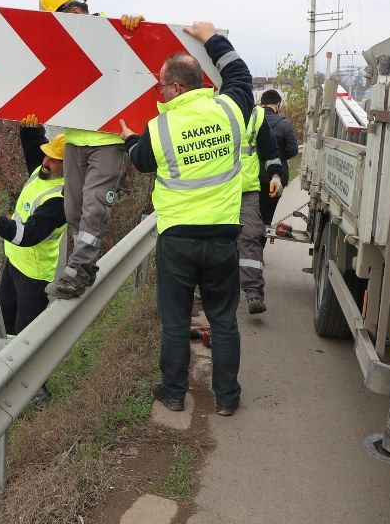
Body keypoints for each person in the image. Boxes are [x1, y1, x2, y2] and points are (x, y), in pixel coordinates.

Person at [118, 22, 280, 417]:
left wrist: (127, 138)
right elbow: (238, 74)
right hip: (223, 238)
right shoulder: (229, 110)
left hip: (177, 241)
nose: (159, 92)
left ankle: (173, 393)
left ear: (175, 88)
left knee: (174, 321)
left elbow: (140, 161)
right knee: (223, 320)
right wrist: (210, 37)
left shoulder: (158, 128)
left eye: (160, 86)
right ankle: (227, 398)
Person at [37, 0, 143, 299]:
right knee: (73, 209)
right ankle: (86, 263)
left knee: (94, 208)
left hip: (107, 139)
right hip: (76, 138)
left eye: (68, 13)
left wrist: (131, 28)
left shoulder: (109, 32)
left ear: (77, 7)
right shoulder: (60, 44)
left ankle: (77, 270)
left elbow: (133, 62)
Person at [0, 117, 67, 335]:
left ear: (68, 167)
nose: (45, 162)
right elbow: (33, 147)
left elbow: (27, 235)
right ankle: (5, 366)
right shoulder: (44, 170)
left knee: (25, 335)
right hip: (15, 263)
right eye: (47, 154)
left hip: (34, 275)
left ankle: (25, 369)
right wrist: (30, 128)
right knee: (6, 323)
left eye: (54, 159)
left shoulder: (61, 200)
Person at [237, 97, 285, 316]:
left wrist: (275, 175)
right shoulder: (210, 109)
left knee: (251, 236)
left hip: (246, 191)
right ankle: (206, 289)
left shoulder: (256, 116)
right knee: (211, 238)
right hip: (215, 191)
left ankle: (253, 293)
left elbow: (270, 151)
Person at [258, 89, 299, 227]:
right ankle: (259, 244)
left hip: (252, 176)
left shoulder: (251, 120)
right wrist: (279, 156)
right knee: (266, 217)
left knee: (250, 215)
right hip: (275, 177)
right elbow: (293, 150)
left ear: (261, 104)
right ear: (277, 104)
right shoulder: (284, 124)